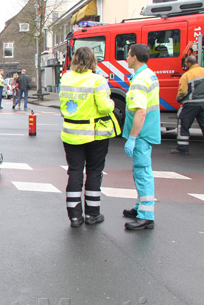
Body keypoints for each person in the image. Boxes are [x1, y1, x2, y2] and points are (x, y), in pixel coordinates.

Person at [60, 47, 120, 228]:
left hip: (71, 133)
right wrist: (112, 104)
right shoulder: (97, 80)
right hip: (95, 133)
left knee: (74, 172)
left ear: (75, 59)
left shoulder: (65, 78)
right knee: (94, 171)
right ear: (93, 60)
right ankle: (92, 214)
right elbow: (104, 107)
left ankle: (74, 217)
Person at [122, 44, 161, 230]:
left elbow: (141, 112)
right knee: (141, 171)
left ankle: (146, 216)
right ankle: (141, 207)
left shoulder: (139, 80)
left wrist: (133, 137)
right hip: (147, 131)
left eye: (128, 55)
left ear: (135, 57)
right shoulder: (148, 74)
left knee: (142, 172)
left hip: (142, 134)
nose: (126, 58)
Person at [171, 54, 204, 155]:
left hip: (190, 104)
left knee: (183, 125)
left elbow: (182, 91)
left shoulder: (187, 75)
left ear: (189, 63)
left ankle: (182, 147)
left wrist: (179, 99)